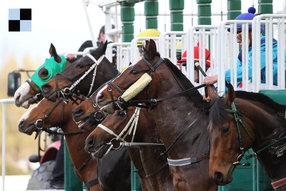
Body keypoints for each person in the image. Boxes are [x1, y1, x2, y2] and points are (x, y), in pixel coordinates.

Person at [203, 6, 286, 89]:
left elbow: (250, 70)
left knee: (249, 88)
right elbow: (236, 78)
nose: (237, 41)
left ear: (253, 31)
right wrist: (218, 92)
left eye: (239, 35)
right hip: (274, 88)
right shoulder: (244, 52)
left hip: (282, 88)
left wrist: (218, 77)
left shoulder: (268, 45)